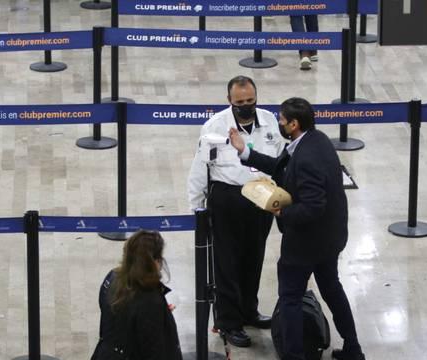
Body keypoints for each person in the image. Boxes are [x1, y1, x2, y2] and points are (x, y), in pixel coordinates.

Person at [228, 98, 366, 360]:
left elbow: (314, 206)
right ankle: (353, 349)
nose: (279, 123)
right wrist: (245, 152)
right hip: (330, 238)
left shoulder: (306, 159)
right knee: (332, 289)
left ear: (294, 124)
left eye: (282, 120)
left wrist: (281, 211)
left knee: (290, 297)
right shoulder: (316, 140)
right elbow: (281, 166)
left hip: (307, 242)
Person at [187, 75, 285, 347]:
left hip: (262, 196)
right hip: (228, 198)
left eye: (250, 101)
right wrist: (197, 209)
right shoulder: (214, 126)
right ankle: (229, 322)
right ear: (229, 100)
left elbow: (279, 157)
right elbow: (199, 170)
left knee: (254, 257)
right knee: (227, 262)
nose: (246, 106)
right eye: (240, 102)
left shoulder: (269, 121)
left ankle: (248, 310)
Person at [91, 230, 182, 360]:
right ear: (155, 262)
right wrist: (157, 315)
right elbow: (155, 351)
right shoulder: (150, 300)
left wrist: (160, 314)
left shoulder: (112, 277)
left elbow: (115, 317)